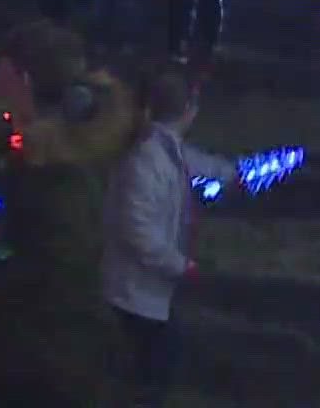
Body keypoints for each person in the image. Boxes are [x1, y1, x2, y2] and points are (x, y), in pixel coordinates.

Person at [0, 21, 138, 408]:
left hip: (44, 355)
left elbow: (60, 261)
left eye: (3, 68)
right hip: (25, 343)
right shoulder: (26, 154)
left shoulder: (57, 171)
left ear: (26, 79)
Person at [100, 66, 235, 407]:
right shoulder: (146, 159)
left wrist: (234, 172)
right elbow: (137, 231)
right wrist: (180, 266)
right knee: (148, 370)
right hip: (131, 291)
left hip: (145, 289)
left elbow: (196, 163)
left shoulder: (162, 149)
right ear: (189, 108)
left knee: (153, 364)